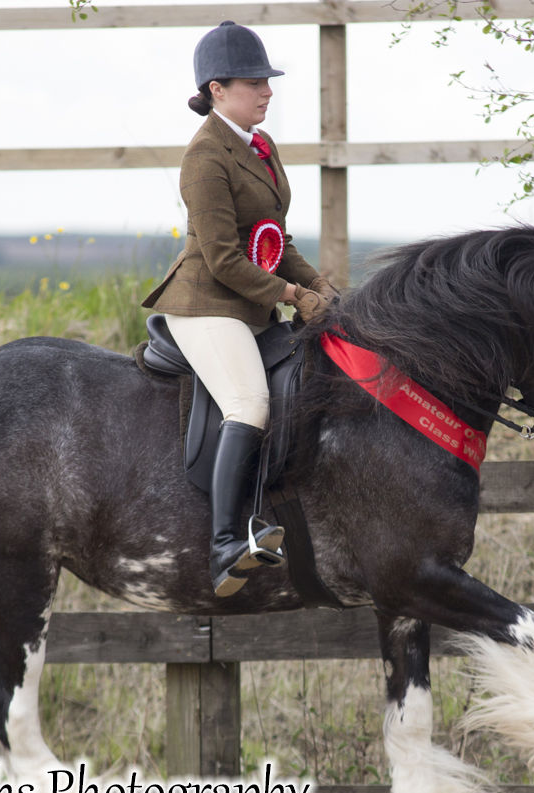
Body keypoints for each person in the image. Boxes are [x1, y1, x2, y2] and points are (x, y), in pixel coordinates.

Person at [142, 21, 337, 597]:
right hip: (207, 305)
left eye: (268, 80)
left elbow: (277, 241)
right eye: (255, 82)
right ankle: (226, 545)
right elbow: (226, 261)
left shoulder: (262, 146)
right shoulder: (204, 157)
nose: (267, 91)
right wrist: (294, 298)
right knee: (250, 402)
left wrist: (324, 289)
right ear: (217, 88)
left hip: (250, 304)